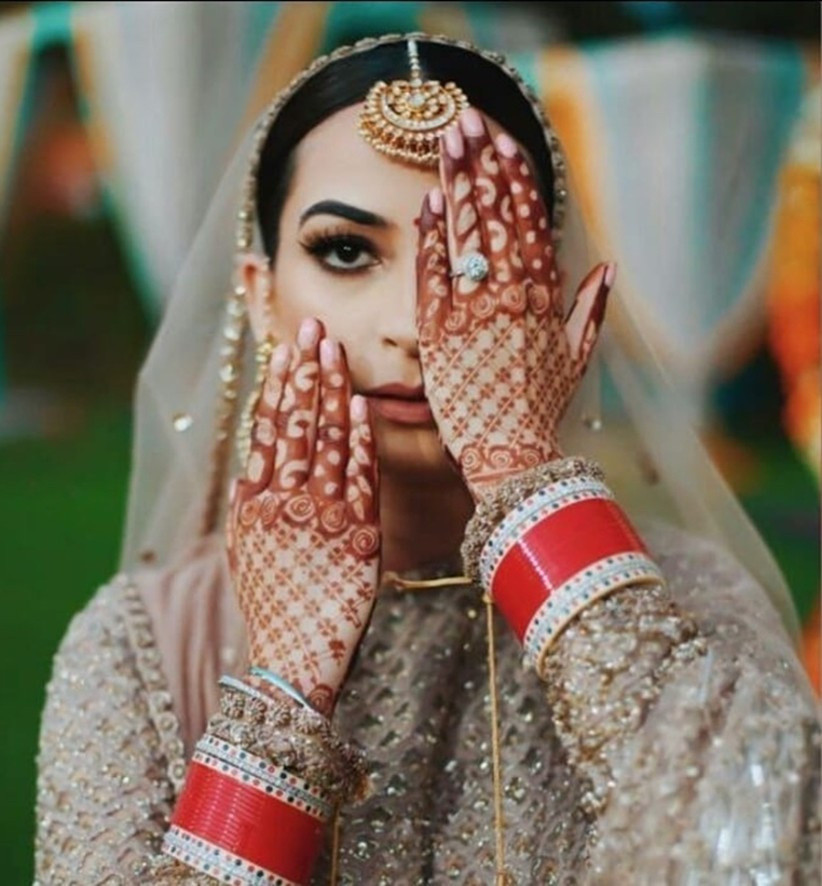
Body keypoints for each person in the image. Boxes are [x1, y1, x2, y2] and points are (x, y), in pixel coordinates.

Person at [35, 33, 820, 885]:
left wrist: (518, 471)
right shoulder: (141, 644)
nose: (413, 325)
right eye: (346, 250)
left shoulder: (693, 602)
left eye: (477, 263)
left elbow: (757, 856)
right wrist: (285, 690)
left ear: (548, 297)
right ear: (261, 299)